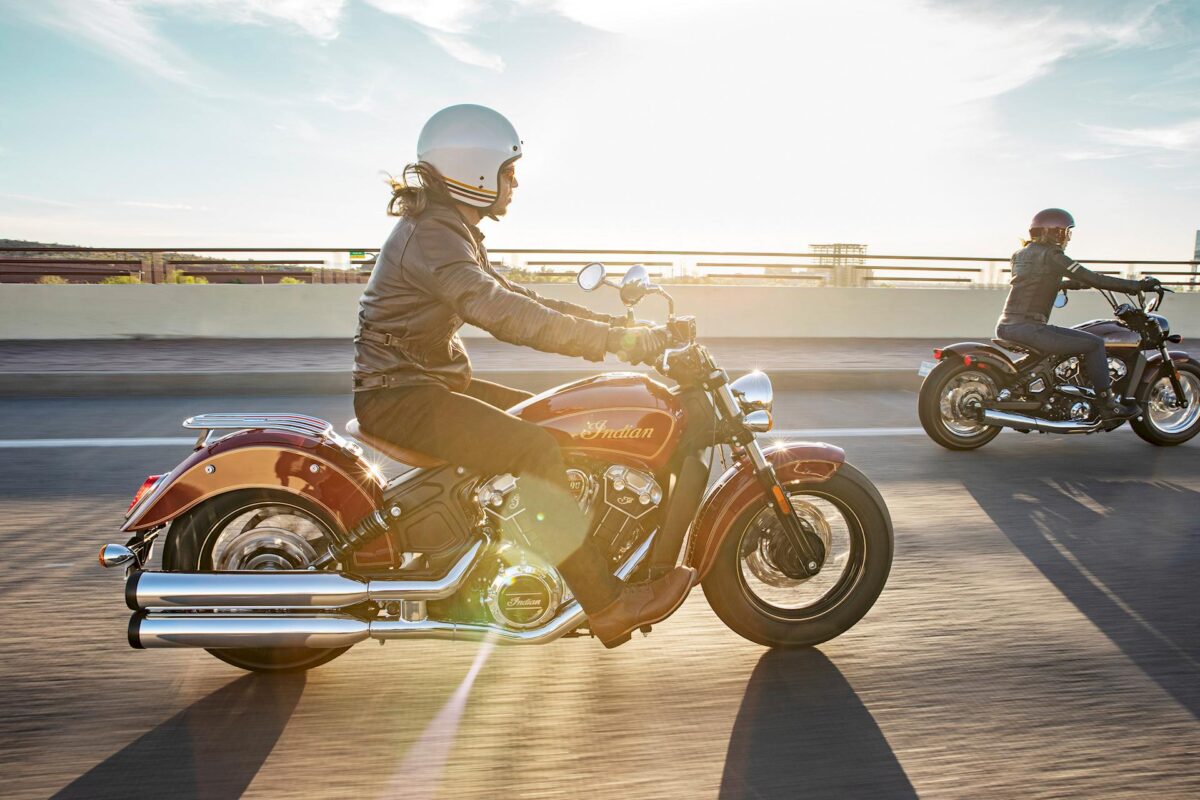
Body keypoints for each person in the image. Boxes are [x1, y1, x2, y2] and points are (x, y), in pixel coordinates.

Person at [352, 104, 694, 648]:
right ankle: (606, 604)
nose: (515, 183)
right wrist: (614, 343)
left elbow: (520, 298)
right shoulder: (434, 236)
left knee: (563, 420)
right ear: (475, 171)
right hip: (400, 394)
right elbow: (504, 313)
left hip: (422, 384)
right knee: (536, 449)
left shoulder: (448, 229)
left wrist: (622, 329)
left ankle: (545, 557)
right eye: (508, 172)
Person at [996, 207, 1160, 419]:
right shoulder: (1052, 255)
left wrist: (1070, 284)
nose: (1068, 238)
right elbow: (1093, 277)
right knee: (1094, 343)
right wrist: (1137, 286)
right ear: (1055, 232)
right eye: (1067, 232)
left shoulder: (1020, 255)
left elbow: (1033, 281)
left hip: (1008, 325)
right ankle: (1107, 404)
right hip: (1030, 328)